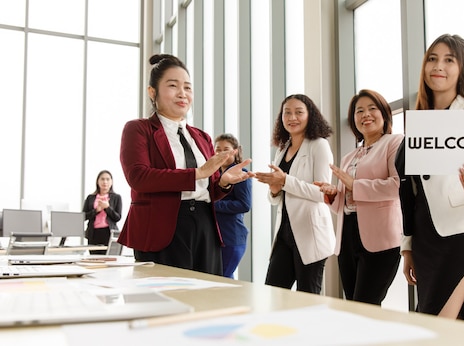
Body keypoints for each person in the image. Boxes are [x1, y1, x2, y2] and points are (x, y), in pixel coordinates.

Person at [119, 54, 254, 275]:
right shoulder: (138, 129)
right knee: (164, 300)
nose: (183, 93)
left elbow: (207, 188)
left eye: (188, 88)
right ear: (152, 92)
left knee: (205, 299)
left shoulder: (202, 137)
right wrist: (197, 173)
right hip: (160, 228)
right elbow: (138, 177)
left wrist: (224, 184)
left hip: (205, 226)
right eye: (173, 85)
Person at [395, 34, 464, 321]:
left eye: (449, 60)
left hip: (461, 232)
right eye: (432, 59)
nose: (438, 66)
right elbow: (410, 194)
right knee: (450, 328)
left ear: (461, 69)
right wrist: (407, 246)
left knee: (434, 325)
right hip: (424, 236)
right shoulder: (417, 122)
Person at [316, 89, 404, 305]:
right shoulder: (349, 156)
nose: (366, 115)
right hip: (347, 236)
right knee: (354, 305)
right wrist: (332, 195)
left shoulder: (395, 143)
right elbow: (344, 205)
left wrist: (355, 185)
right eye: (359, 111)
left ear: (384, 114)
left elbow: (397, 186)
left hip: (380, 237)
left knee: (366, 304)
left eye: (372, 109)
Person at [255, 94, 335, 294]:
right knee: (273, 294)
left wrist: (284, 181)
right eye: (287, 113)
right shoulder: (282, 148)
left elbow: (321, 193)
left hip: (310, 233)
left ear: (310, 115)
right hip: (284, 232)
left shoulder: (319, 145)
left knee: (308, 297)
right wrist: (274, 190)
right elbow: (278, 197)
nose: (292, 117)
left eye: (299, 112)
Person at [213, 133, 252, 279]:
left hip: (232, 237)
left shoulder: (241, 174)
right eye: (218, 149)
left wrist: (213, 204)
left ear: (235, 151)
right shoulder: (214, 173)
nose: (221, 152)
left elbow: (244, 205)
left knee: (224, 277)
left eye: (226, 149)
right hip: (216, 237)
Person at [82, 170, 122, 254]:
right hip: (93, 234)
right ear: (98, 181)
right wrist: (96, 210)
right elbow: (83, 216)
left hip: (109, 233)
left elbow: (117, 217)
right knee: (94, 260)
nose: (105, 182)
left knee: (109, 260)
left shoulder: (116, 197)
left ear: (111, 182)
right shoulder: (91, 197)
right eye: (102, 179)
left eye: (108, 179)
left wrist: (107, 208)